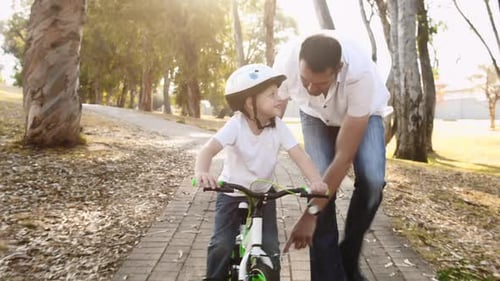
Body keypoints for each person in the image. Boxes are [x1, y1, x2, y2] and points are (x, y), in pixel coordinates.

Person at [274, 30, 391, 281]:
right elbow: (274, 114)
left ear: (338, 68)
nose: (310, 88)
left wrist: (309, 215)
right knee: (321, 182)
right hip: (314, 116)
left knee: (372, 180)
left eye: (320, 83)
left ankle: (347, 260)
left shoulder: (360, 75)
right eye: (306, 80)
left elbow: (343, 157)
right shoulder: (285, 63)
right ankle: (328, 274)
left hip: (363, 114)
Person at [194, 63, 329, 281]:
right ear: (250, 102)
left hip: (264, 196)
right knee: (222, 245)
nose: (279, 98)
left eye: (279, 92)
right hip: (231, 193)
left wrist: (316, 182)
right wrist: (202, 172)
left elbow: (300, 156)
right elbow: (208, 150)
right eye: (272, 94)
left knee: (270, 251)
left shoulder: (278, 126)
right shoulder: (236, 125)